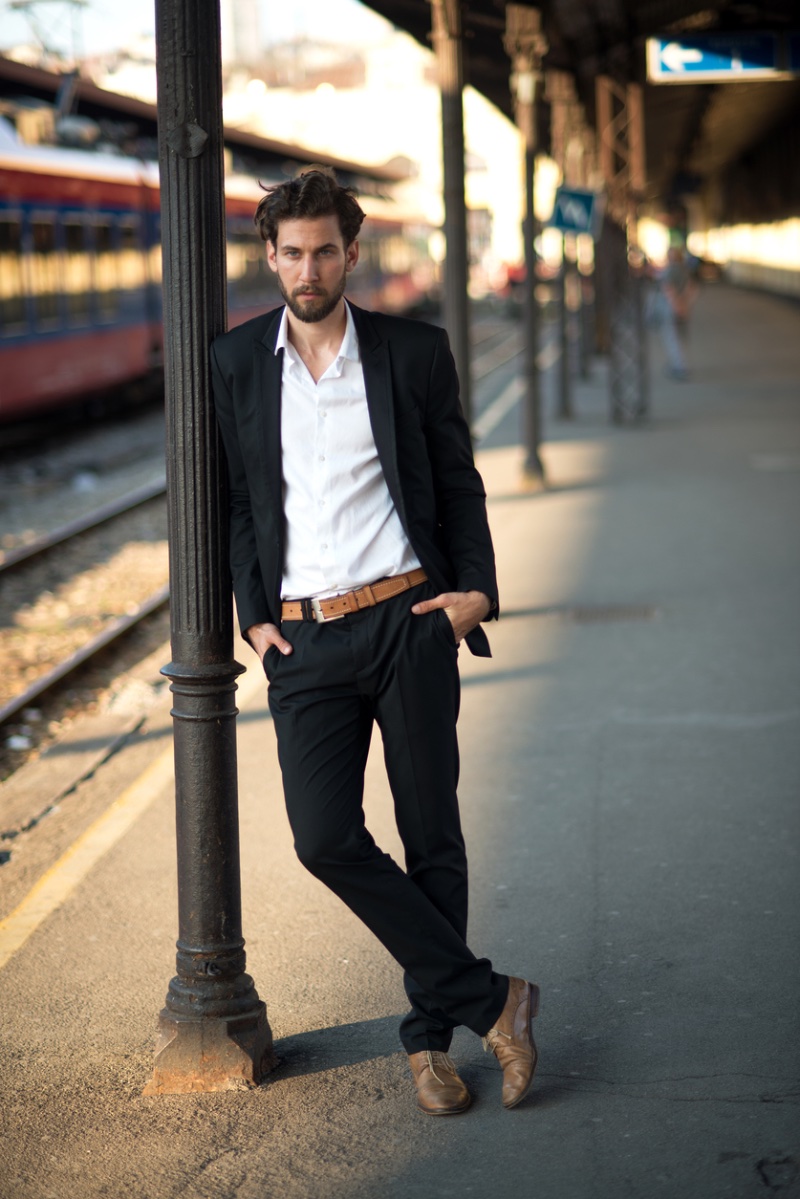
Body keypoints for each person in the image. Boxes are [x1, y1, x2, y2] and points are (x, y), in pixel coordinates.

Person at [210, 168, 539, 1116]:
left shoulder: (413, 351)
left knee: (432, 830)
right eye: (292, 251)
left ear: (352, 254)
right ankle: (495, 999)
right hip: (305, 642)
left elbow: (456, 476)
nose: (308, 268)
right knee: (325, 837)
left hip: (409, 618)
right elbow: (237, 499)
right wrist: (252, 612)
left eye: (325, 251)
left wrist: (476, 589)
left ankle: (428, 1042)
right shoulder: (237, 364)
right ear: (270, 256)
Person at [655, 243, 697, 380]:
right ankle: (678, 363)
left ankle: (679, 366)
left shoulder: (669, 271)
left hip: (671, 308)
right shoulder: (684, 270)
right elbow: (691, 289)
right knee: (680, 337)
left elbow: (668, 289)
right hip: (683, 306)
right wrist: (686, 305)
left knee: (672, 337)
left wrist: (676, 305)